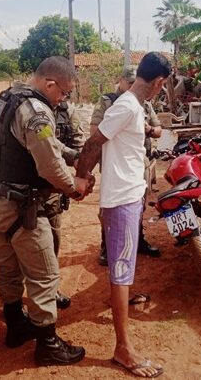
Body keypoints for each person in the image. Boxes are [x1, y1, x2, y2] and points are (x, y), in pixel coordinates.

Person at [0, 56, 91, 366]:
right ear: (50, 83)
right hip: (21, 208)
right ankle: (48, 344)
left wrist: (74, 154)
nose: (64, 99)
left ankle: (15, 325)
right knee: (45, 275)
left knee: (8, 265)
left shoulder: (9, 96)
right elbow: (49, 165)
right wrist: (74, 187)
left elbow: (45, 145)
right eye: (65, 93)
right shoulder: (38, 113)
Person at [76, 52, 170, 378]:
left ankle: (122, 328)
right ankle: (123, 349)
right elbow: (92, 143)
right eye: (163, 85)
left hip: (127, 196)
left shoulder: (134, 107)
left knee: (124, 267)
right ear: (158, 82)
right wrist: (82, 177)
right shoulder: (126, 106)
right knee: (121, 270)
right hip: (121, 201)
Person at [91, 65, 162, 265]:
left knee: (138, 205)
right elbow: (94, 132)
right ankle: (107, 245)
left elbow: (158, 130)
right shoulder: (108, 102)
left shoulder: (144, 104)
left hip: (141, 164)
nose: (132, 85)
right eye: (129, 82)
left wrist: (146, 128)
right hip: (115, 164)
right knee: (109, 208)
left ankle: (137, 241)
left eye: (134, 81)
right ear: (120, 80)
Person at [48, 95, 87, 309]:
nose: (62, 96)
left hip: (56, 186)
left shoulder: (67, 111)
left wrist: (78, 172)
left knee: (52, 238)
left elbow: (78, 142)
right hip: (29, 185)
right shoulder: (30, 109)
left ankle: (50, 289)